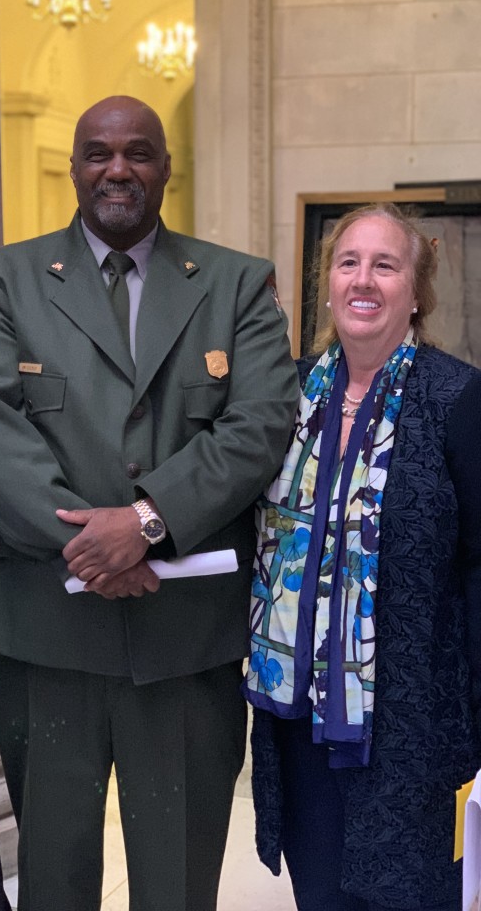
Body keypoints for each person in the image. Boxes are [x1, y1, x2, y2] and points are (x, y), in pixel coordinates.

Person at [0, 95, 297, 911]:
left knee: (178, 882)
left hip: (185, 638)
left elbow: (260, 425)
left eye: (138, 153)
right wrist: (91, 547)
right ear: (73, 168)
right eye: (98, 153)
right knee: (56, 879)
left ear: (166, 169)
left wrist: (144, 525)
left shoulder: (238, 285)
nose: (118, 169)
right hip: (46, 628)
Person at [245, 203, 481, 911]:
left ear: (417, 291)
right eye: (349, 262)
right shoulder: (283, 394)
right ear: (329, 283)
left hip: (415, 729)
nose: (364, 280)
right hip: (301, 725)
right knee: (322, 895)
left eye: (386, 264)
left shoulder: (459, 398)